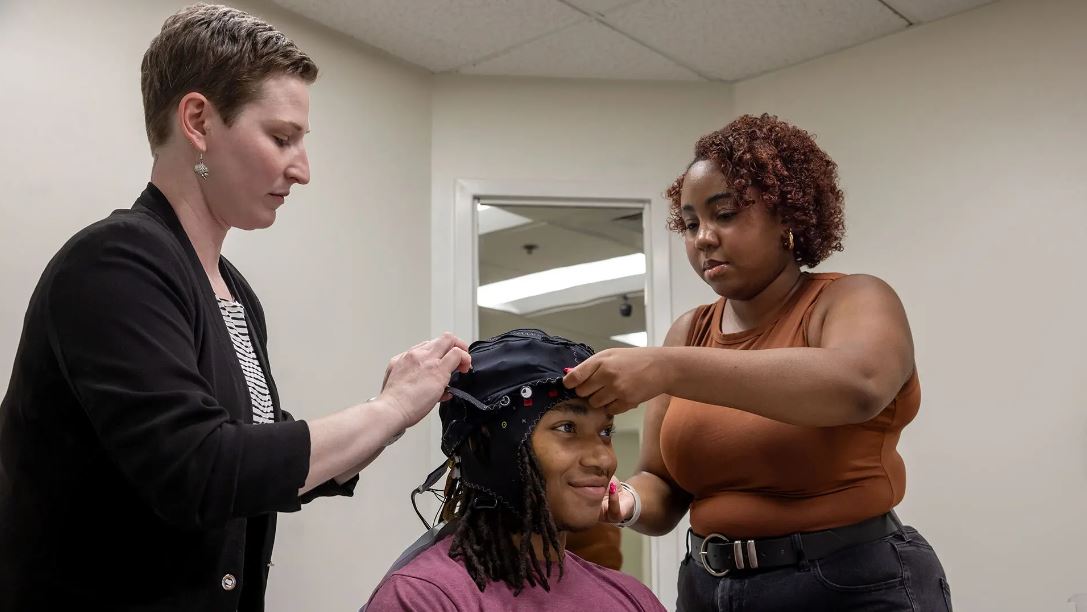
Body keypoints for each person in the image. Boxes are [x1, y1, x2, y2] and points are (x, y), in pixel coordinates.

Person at [0, 5, 469, 611]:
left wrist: (395, 410)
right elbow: (200, 467)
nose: (301, 169)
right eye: (281, 138)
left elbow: (255, 450)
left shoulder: (233, 292)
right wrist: (391, 408)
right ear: (197, 120)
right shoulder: (115, 264)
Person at [567, 114, 952, 611]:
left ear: (787, 216)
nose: (703, 237)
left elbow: (859, 385)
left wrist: (668, 368)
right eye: (689, 224)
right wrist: (624, 501)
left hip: (848, 586)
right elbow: (663, 488)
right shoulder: (689, 333)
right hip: (709, 589)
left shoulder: (853, 299)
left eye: (724, 214)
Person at [364, 329, 664, 612]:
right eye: (567, 428)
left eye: (605, 431)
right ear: (487, 445)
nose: (602, 459)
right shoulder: (424, 598)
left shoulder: (632, 598)